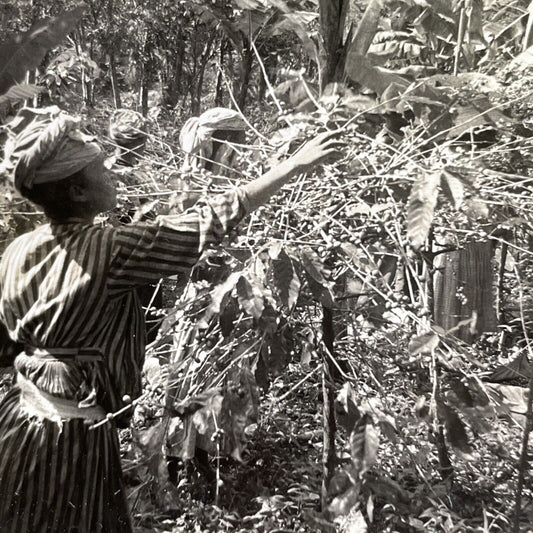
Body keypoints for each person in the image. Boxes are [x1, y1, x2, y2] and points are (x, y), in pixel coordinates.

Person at [0, 105, 343, 532]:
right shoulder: (110, 249)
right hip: (70, 439)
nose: (112, 177)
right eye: (101, 170)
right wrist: (292, 166)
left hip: (17, 424)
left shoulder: (16, 252)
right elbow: (205, 224)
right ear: (78, 193)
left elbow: (5, 347)